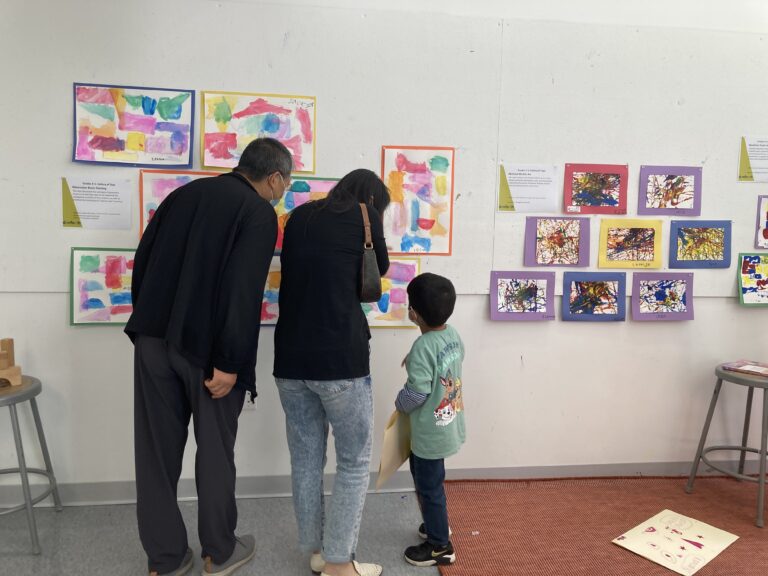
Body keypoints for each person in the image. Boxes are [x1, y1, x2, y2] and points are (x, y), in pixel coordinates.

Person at [125, 137, 292, 576]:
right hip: (207, 354)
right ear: (274, 177)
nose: (283, 192)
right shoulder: (257, 212)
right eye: (286, 184)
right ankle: (219, 551)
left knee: (154, 455)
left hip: (152, 342)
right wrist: (231, 362)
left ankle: (165, 559)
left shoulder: (181, 196)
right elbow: (242, 293)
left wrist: (150, 330)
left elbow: (141, 266)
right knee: (215, 451)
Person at [273, 168, 390, 576]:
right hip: (340, 358)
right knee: (355, 462)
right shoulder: (366, 214)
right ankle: (340, 564)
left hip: (289, 359)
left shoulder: (301, 215)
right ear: (372, 200)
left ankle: (317, 551)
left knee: (305, 459)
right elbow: (382, 268)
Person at [394, 273, 465, 567]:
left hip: (428, 432)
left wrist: (400, 403)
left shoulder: (424, 347)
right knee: (432, 481)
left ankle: (440, 546)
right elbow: (444, 365)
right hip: (447, 424)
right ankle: (438, 523)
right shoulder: (452, 335)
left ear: (414, 313)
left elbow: (418, 393)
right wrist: (415, 360)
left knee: (428, 486)